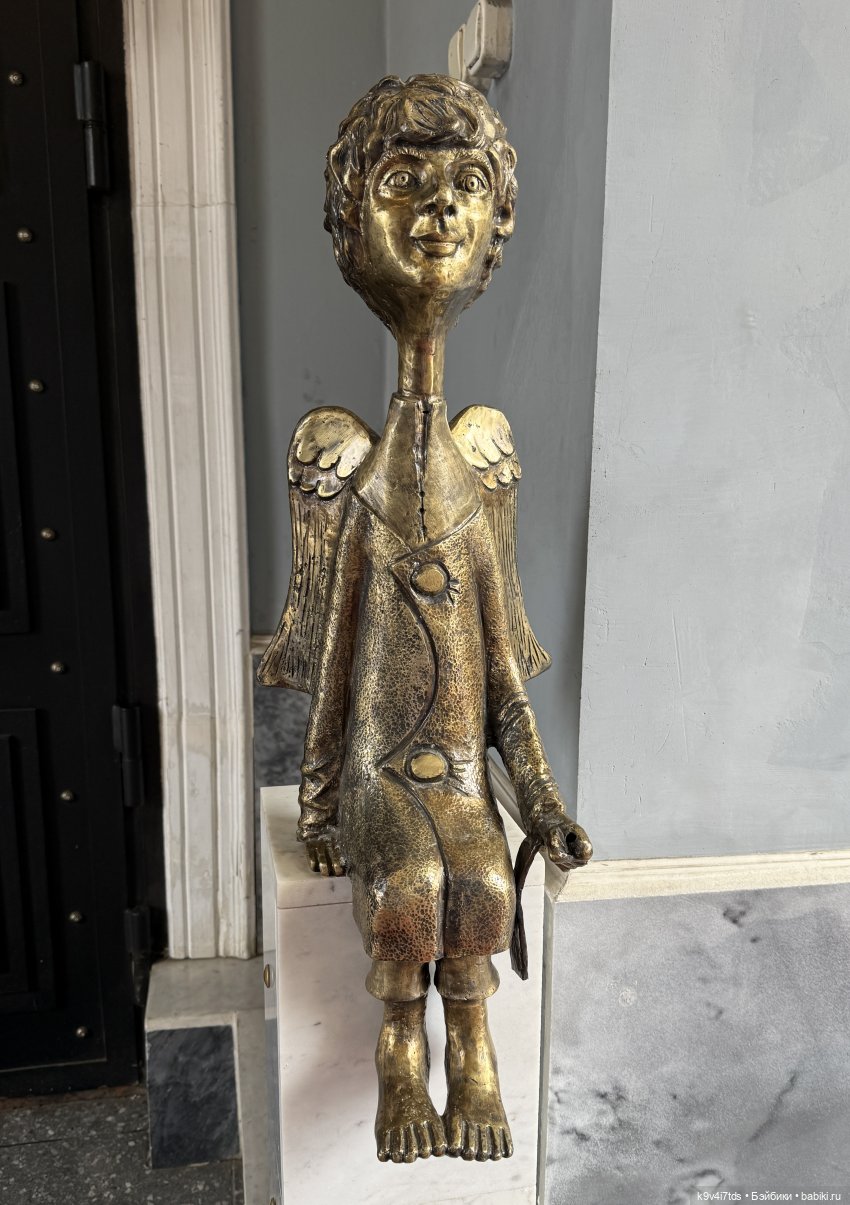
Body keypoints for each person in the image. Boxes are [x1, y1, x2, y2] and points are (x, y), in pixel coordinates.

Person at [259, 74, 592, 1165]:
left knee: (486, 881)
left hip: (457, 779)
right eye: (405, 182)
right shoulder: (355, 478)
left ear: (495, 227)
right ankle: (401, 1044)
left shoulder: (476, 474)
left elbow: (503, 681)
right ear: (354, 226)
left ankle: (475, 1041)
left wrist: (543, 804)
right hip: (378, 773)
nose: (439, 209)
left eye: (465, 185)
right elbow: (334, 660)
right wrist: (320, 803)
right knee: (409, 881)